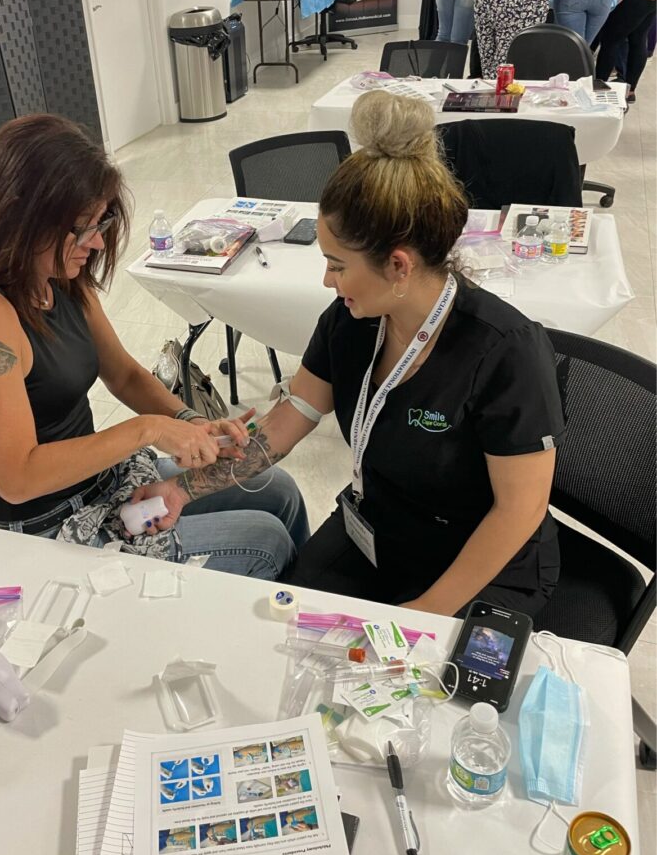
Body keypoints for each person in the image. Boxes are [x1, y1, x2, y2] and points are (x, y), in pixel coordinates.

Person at [135, 93, 565, 620]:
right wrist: (184, 491)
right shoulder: (351, 320)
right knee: (290, 628)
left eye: (337, 265)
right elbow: (291, 417)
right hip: (381, 529)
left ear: (399, 265)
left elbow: (519, 509)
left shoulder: (506, 352)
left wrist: (426, 611)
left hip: (477, 562)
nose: (326, 280)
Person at [0, 114, 308, 577]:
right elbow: (16, 478)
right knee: (264, 541)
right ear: (22, 217)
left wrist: (191, 423)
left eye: (100, 223)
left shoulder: (60, 277)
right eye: (82, 228)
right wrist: (148, 430)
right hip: (50, 525)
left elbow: (125, 374)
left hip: (104, 482)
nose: (95, 242)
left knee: (279, 490)